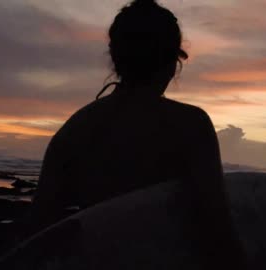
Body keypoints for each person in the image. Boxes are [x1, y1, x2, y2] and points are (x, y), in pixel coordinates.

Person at [28, 0, 246, 268]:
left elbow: (38, 232)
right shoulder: (190, 125)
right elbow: (218, 230)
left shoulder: (75, 129)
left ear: (115, 58)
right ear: (172, 62)